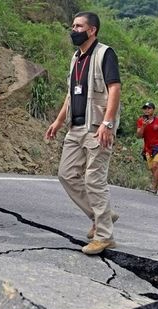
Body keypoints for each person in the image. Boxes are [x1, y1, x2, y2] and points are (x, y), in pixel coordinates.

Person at [45, 11, 121, 255]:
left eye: (78, 26)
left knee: (94, 179)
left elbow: (114, 89)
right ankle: (103, 215)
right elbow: (72, 93)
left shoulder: (104, 54)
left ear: (92, 30)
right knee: (66, 174)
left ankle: (104, 236)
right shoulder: (75, 58)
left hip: (97, 128)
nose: (73, 30)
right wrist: (58, 121)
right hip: (75, 127)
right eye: (73, 26)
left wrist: (107, 124)